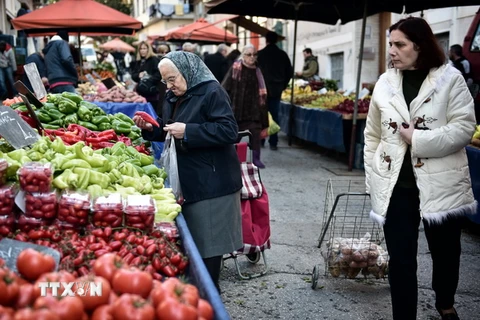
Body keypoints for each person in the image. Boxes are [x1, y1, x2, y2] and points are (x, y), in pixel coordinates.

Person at [364, 17, 476, 320]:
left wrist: (418, 139)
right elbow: (372, 135)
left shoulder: (450, 79)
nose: (392, 51)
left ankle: (445, 302)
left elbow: (464, 128)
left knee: (446, 253)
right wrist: (373, 176)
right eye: (390, 44)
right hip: (396, 187)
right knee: (400, 260)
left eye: (399, 44)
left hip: (441, 185)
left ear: (420, 45)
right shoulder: (385, 83)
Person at [132, 51, 243, 293]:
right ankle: (201, 293)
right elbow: (168, 127)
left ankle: (210, 296)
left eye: (173, 79)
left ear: (188, 71)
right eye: (166, 81)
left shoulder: (212, 92)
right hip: (190, 180)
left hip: (213, 183)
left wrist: (190, 131)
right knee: (196, 245)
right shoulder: (173, 95)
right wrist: (151, 129)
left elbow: (228, 131)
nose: (169, 86)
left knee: (209, 248)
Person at [222, 44, 268, 168]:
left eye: (254, 54)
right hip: (237, 109)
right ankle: (229, 157)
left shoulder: (258, 70)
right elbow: (225, 88)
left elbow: (263, 93)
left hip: (254, 110)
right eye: (249, 54)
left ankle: (256, 159)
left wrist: (265, 119)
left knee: (256, 133)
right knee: (234, 136)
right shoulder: (235, 68)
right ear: (243, 55)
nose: (252, 57)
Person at [257, 31, 292, 150]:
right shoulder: (282, 54)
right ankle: (273, 142)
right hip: (277, 89)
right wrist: (283, 85)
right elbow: (289, 73)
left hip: (262, 90)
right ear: (277, 40)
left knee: (262, 115)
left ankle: (261, 140)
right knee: (275, 115)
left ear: (266, 40)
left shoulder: (260, 54)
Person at [131, 41, 161, 115]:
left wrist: (148, 78)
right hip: (141, 94)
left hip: (152, 93)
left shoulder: (154, 59)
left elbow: (159, 75)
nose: (142, 50)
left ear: (148, 49)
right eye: (141, 49)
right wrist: (138, 75)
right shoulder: (138, 61)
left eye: (144, 48)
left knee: (151, 114)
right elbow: (133, 75)